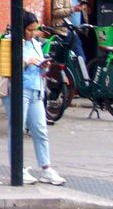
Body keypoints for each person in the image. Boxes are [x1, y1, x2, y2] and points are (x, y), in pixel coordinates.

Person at [18, 11, 66, 186]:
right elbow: (7, 65)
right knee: (18, 130)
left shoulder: (36, 44)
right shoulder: (12, 42)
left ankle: (46, 169)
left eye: (35, 29)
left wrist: (43, 66)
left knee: (40, 130)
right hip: (20, 90)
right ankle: (18, 168)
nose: (33, 33)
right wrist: (25, 62)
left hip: (36, 90)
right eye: (29, 30)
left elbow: (41, 69)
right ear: (21, 29)